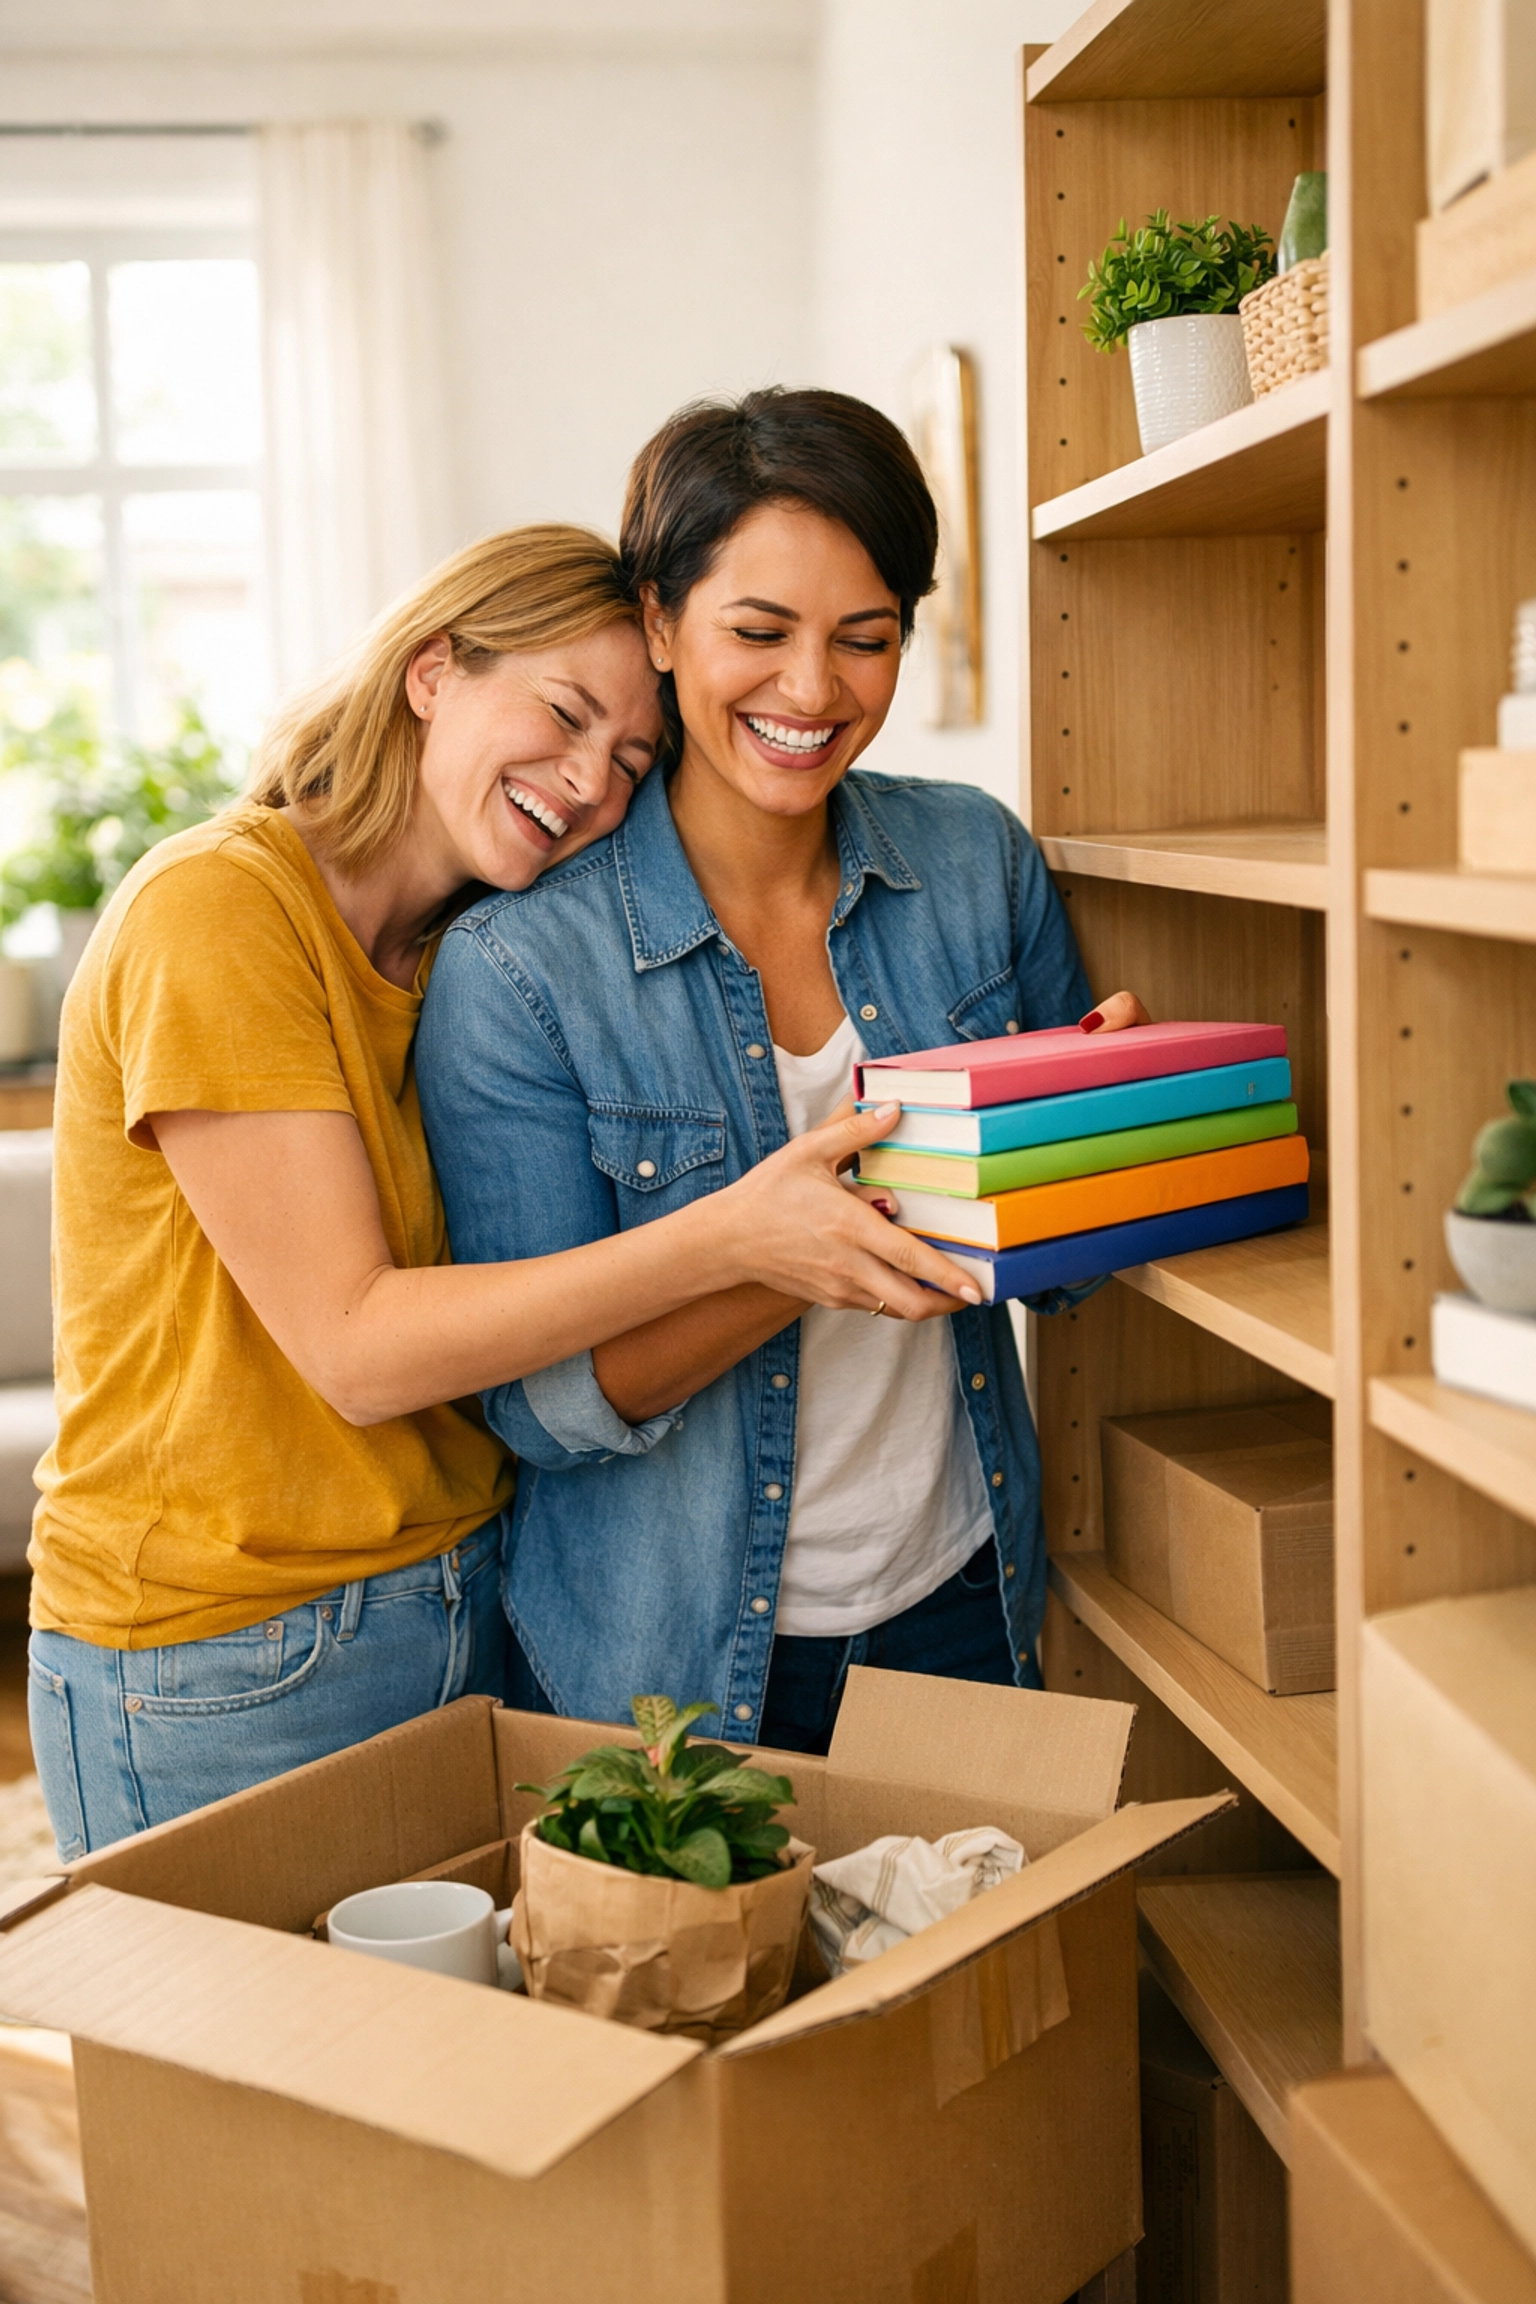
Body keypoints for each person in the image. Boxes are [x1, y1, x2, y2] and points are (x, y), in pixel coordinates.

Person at [27, 523, 980, 1856]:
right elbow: (357, 1348)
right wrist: (735, 1238)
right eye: (563, 712)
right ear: (432, 671)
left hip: (461, 1606)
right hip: (221, 1654)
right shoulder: (220, 912)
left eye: (630, 758)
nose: (588, 781)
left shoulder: (448, 955)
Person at [418, 396, 1149, 1754]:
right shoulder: (519, 972)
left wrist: (1095, 1139)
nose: (812, 692)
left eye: (864, 641)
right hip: (668, 1665)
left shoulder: (975, 864)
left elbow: (1068, 1275)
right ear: (659, 621)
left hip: (962, 1597)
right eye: (758, 633)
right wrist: (779, 1260)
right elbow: (543, 1408)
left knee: (970, 1969)